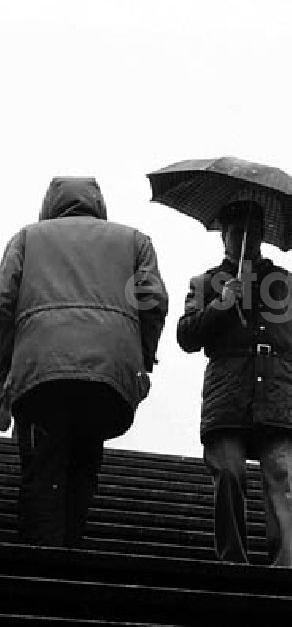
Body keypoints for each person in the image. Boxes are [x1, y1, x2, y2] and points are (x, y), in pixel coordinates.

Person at [0, 176, 168, 547]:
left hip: (40, 372)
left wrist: (3, 373)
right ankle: (71, 551)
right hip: (107, 377)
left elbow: (3, 303)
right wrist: (143, 357)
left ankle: (41, 565)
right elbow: (153, 301)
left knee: (43, 468)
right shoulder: (134, 241)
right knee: (83, 463)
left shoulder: (28, 238)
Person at [177, 198, 292, 568]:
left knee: (280, 476)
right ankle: (233, 561)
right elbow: (186, 337)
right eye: (234, 231)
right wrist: (222, 302)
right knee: (229, 474)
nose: (241, 239)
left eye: (248, 231)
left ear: (261, 235)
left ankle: (286, 566)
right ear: (224, 236)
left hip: (279, 395)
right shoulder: (205, 283)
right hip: (226, 396)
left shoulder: (289, 285)